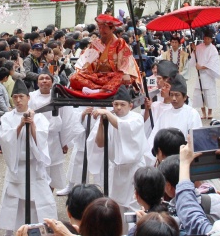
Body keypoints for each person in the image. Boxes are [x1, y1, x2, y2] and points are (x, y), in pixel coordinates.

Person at [0, 79, 56, 235]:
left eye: (21, 96)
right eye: (15, 97)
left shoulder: (39, 117)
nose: (18, 100)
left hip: (34, 167)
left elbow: (42, 140)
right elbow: (5, 139)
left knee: (39, 204)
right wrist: (20, 125)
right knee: (15, 205)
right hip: (16, 167)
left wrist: (32, 125)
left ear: (28, 98)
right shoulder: (7, 118)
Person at [90, 86, 146, 215]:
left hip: (134, 169)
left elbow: (123, 126)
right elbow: (99, 143)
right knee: (116, 208)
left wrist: (108, 113)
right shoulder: (109, 117)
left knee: (134, 207)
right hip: (116, 170)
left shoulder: (136, 118)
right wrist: (101, 124)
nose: (118, 108)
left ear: (130, 105)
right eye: (115, 104)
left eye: (122, 104)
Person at [28, 71, 81, 191]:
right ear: (37, 82)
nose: (44, 81)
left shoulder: (58, 97)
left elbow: (66, 120)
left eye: (47, 78)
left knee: (52, 171)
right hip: (36, 137)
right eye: (41, 78)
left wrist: (64, 141)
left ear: (52, 82)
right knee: (37, 169)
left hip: (53, 139)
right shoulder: (31, 97)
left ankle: (48, 196)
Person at [70, 14, 140, 94]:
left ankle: (100, 90)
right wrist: (85, 67)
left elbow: (125, 65)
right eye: (100, 28)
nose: (101, 31)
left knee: (122, 77)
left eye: (104, 28)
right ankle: (101, 89)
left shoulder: (120, 43)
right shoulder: (96, 44)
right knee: (74, 77)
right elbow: (88, 63)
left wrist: (122, 73)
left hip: (113, 77)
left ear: (112, 29)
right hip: (97, 77)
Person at [146, 75, 202, 165]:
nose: (174, 98)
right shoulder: (164, 114)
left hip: (183, 158)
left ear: (184, 97)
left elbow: (196, 139)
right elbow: (154, 136)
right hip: (164, 158)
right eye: (171, 95)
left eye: (177, 95)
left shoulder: (192, 114)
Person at [189, 28, 220, 120]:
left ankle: (210, 112)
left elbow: (213, 63)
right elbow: (193, 60)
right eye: (205, 38)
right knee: (200, 94)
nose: (206, 40)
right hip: (200, 74)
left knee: (209, 94)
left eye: (208, 38)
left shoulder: (213, 49)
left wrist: (202, 67)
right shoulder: (199, 47)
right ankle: (203, 112)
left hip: (208, 74)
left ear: (211, 39)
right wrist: (194, 50)